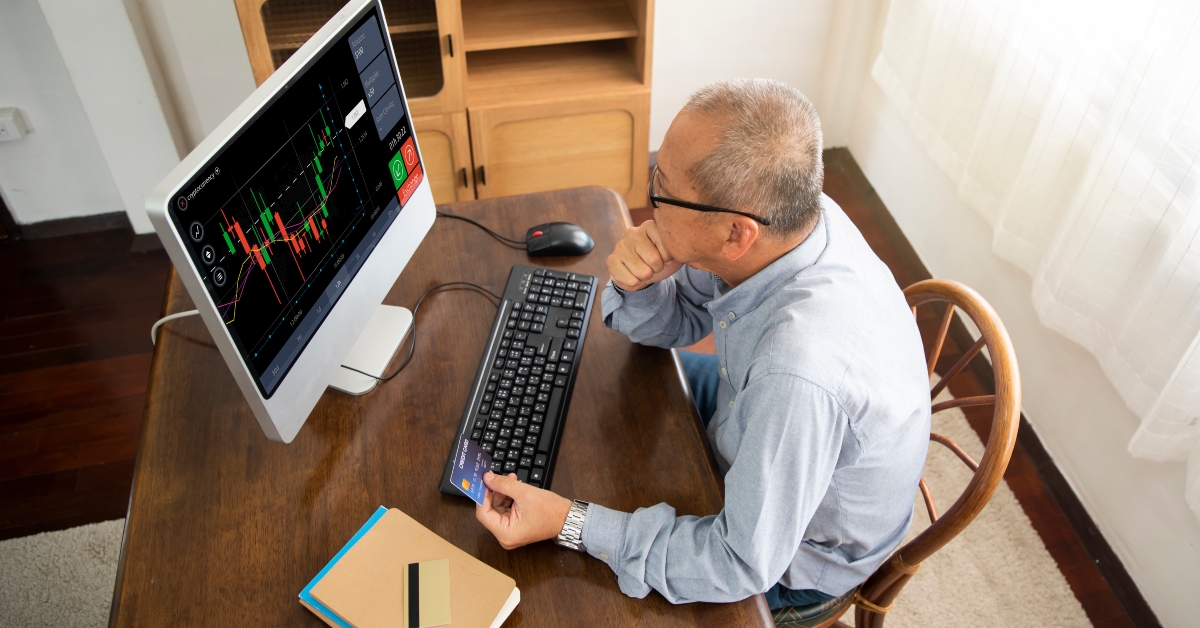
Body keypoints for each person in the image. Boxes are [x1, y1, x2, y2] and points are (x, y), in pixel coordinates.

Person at [473, 78, 931, 610]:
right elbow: (681, 320)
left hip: (795, 563)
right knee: (590, 405)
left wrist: (568, 522)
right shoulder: (792, 215)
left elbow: (737, 565)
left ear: (736, 234)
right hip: (750, 405)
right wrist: (638, 282)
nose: (647, 207)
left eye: (660, 191)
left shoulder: (800, 373)